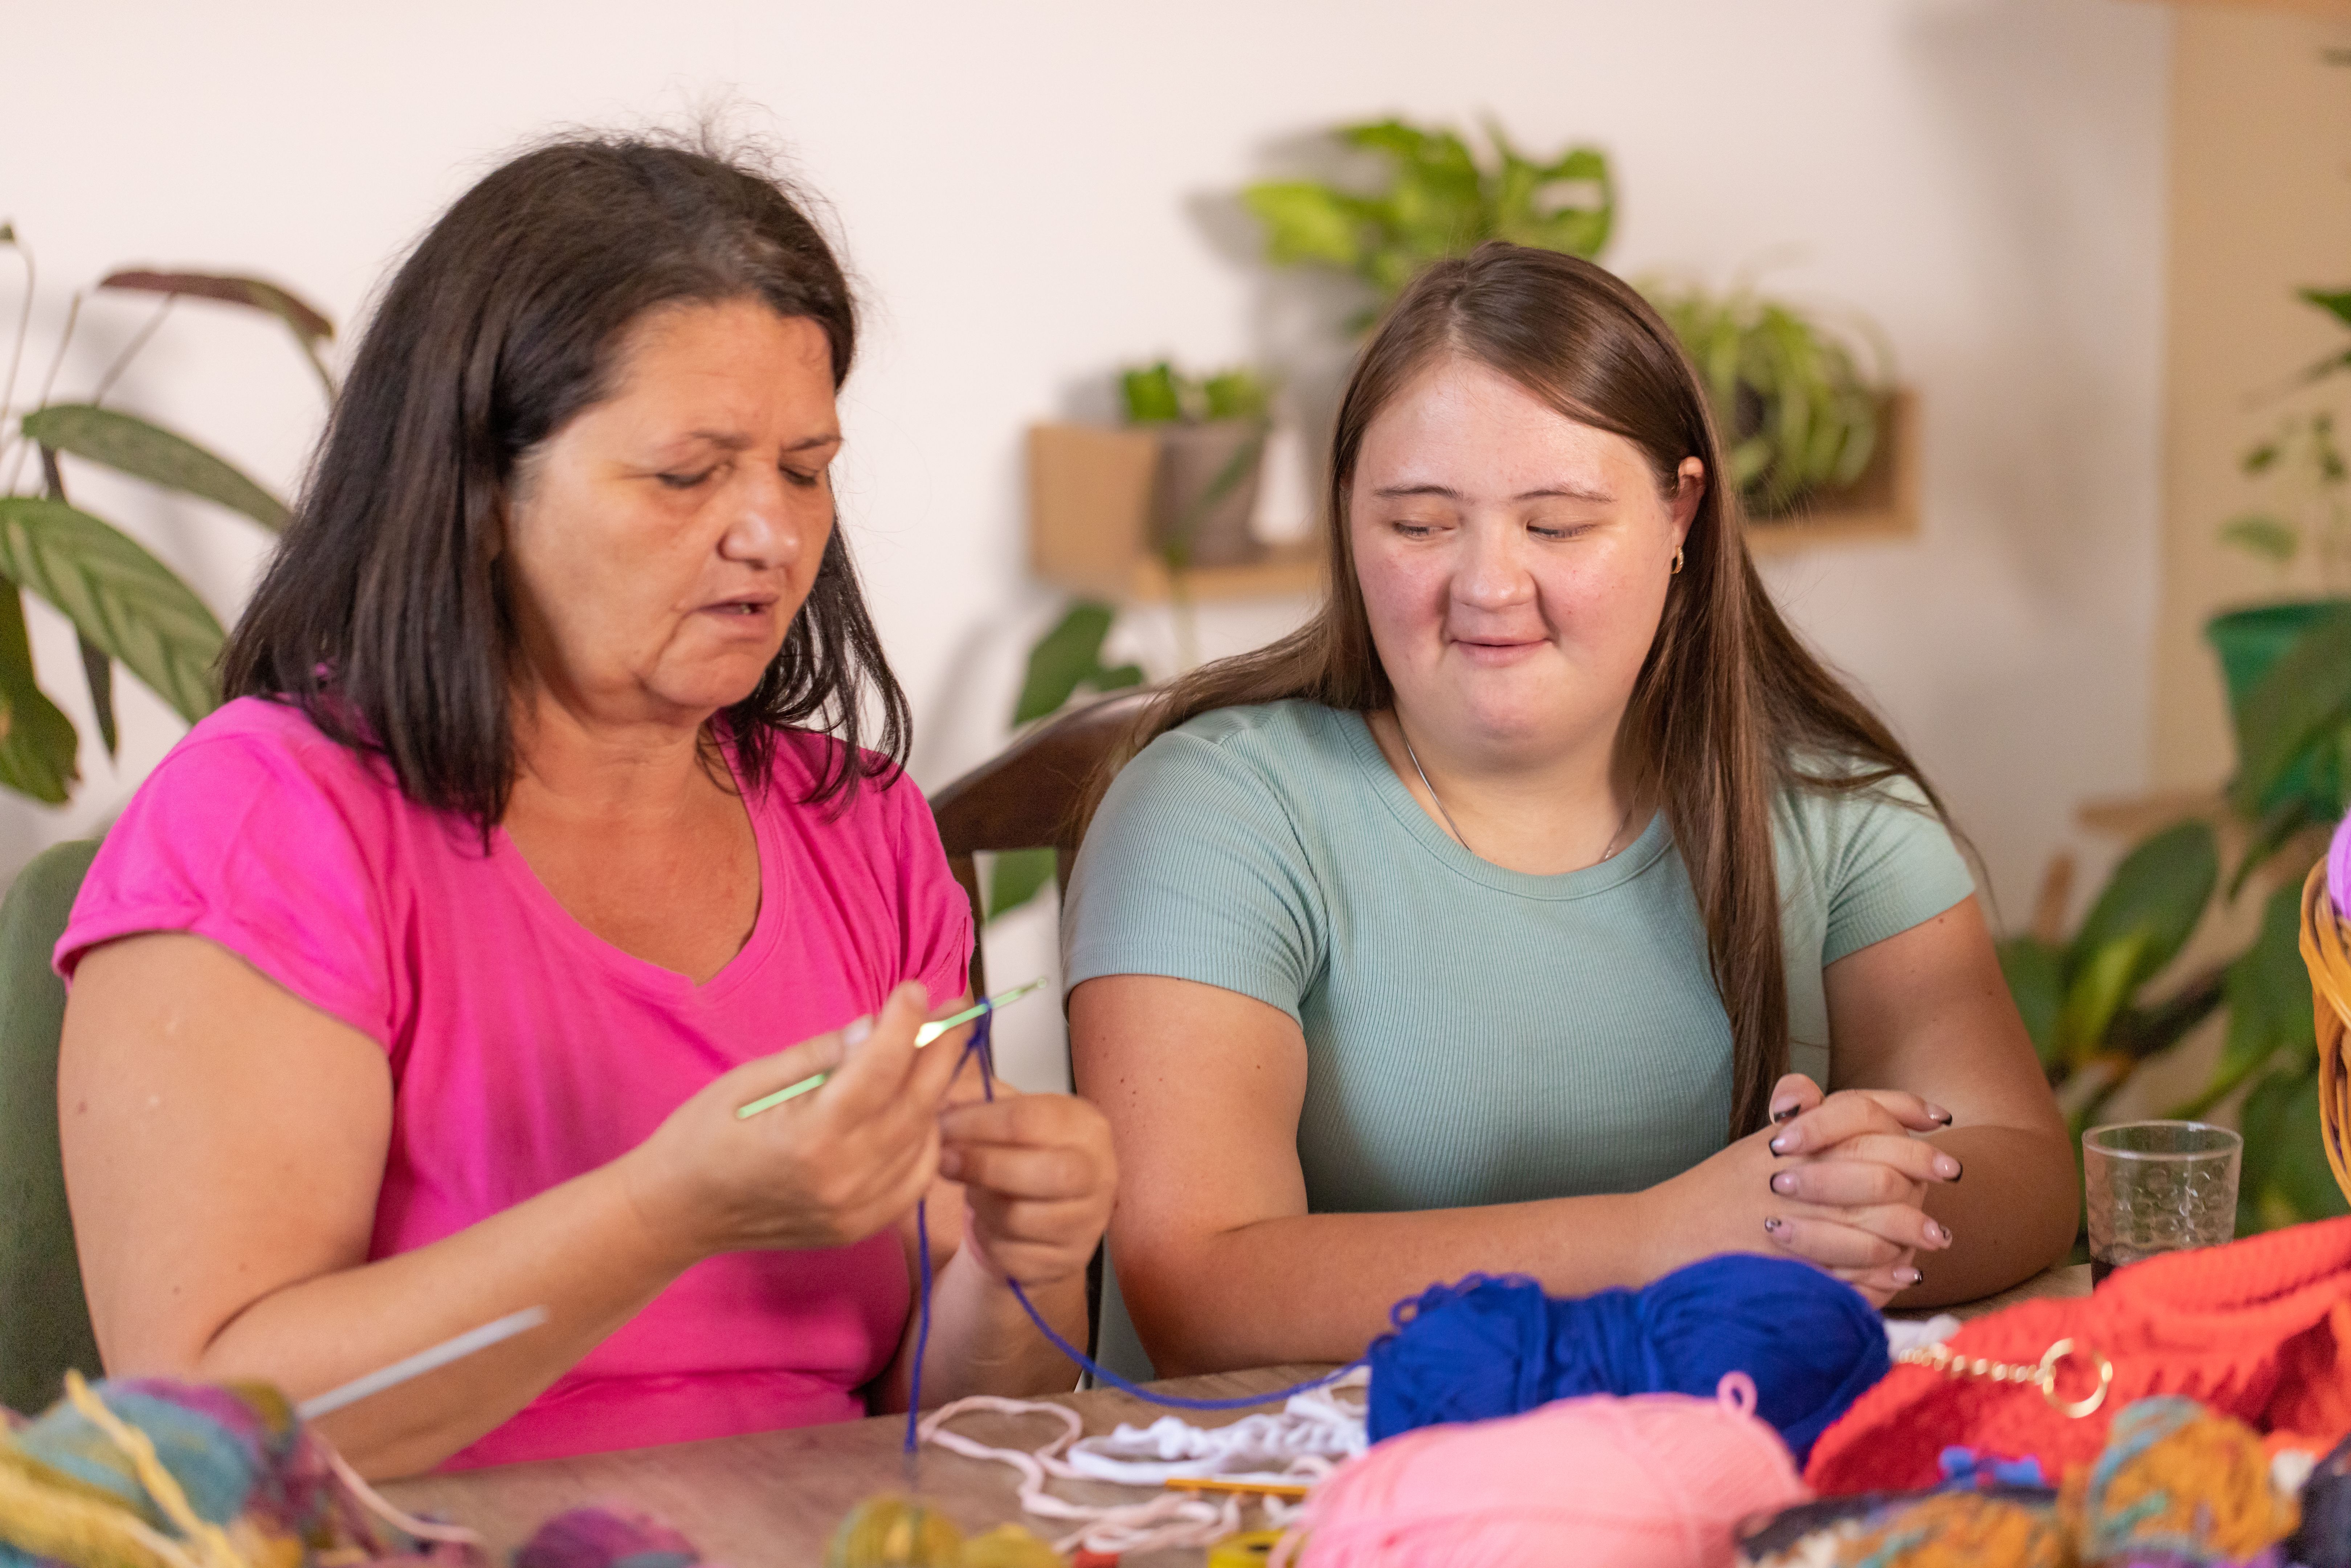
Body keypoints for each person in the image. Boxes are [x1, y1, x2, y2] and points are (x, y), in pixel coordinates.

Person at [54, 135, 1113, 1478]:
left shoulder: (862, 826)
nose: (773, 535)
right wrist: (663, 1216)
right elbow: (204, 1437)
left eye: (803, 467)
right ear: (483, 492)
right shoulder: (265, 822)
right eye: (688, 475)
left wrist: (1031, 1262)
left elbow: (953, 1429)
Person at [1065, 242, 2074, 1378]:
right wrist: (1667, 1240)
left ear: (1681, 513)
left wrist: (1855, 1206)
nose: (1490, 584)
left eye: (1555, 526)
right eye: (1418, 525)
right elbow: (1201, 1290)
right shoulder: (1215, 812)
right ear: (1348, 520)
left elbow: (2027, 1167)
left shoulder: (1832, 808)